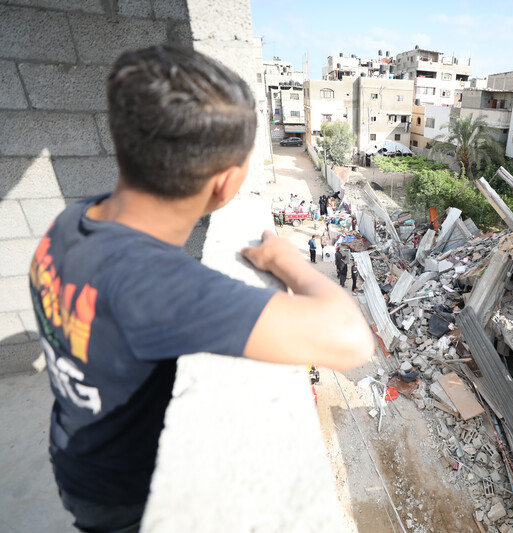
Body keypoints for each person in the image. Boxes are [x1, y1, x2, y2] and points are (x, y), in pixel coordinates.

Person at [28, 45, 373, 533]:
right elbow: (351, 339)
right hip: (121, 494)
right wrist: (289, 262)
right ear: (227, 184)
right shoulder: (155, 287)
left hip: (72, 451)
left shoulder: (67, 224)